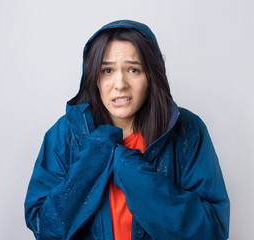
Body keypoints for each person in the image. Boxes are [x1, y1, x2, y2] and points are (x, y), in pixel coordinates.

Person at [24, 20, 230, 240]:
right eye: (107, 70)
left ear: (150, 75)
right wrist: (95, 155)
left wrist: (134, 173)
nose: (120, 84)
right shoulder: (65, 134)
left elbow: (212, 231)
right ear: (94, 78)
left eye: (133, 69)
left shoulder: (187, 131)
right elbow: (45, 228)